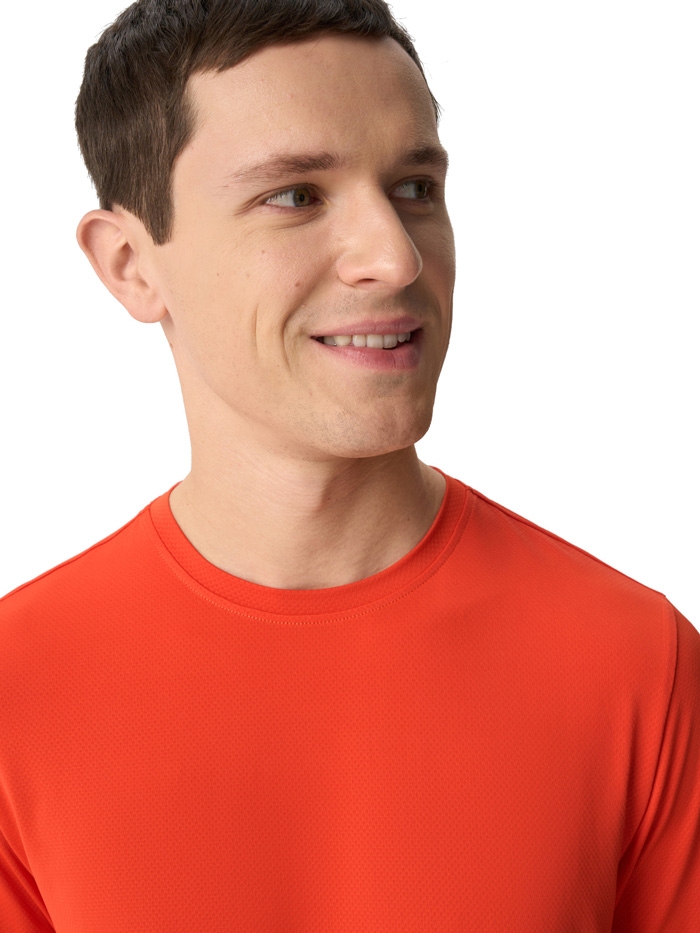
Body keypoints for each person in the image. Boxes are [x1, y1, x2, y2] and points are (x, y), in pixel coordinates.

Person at [0, 0, 697, 929]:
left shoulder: (635, 664)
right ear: (130, 263)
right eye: (296, 195)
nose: (396, 257)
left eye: (415, 187)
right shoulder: (18, 692)